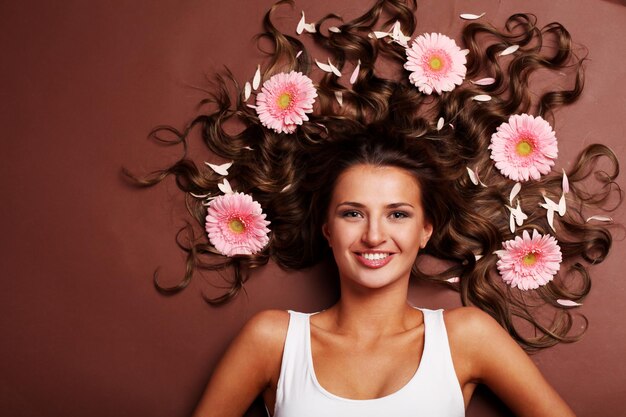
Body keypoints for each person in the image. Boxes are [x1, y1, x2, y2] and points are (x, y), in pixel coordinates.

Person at [125, 0, 620, 414]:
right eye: (352, 212)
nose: (374, 235)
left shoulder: (466, 337)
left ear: (427, 229)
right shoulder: (273, 340)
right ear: (326, 227)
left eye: (398, 214)